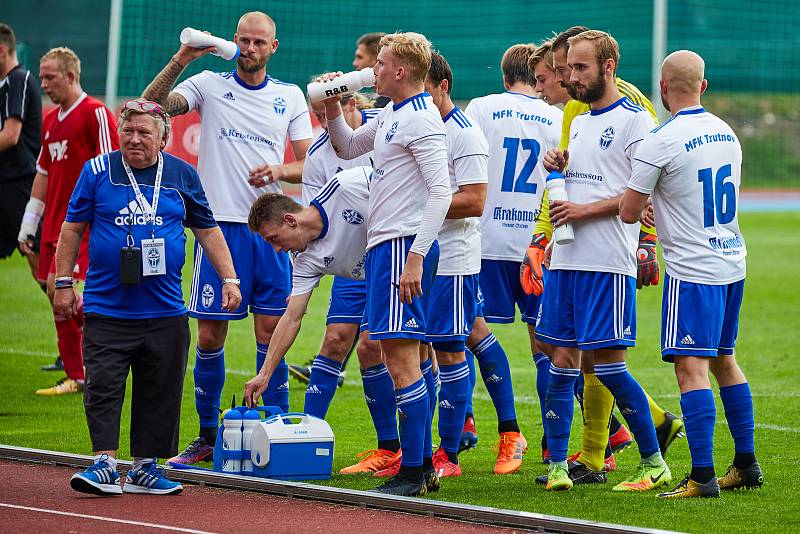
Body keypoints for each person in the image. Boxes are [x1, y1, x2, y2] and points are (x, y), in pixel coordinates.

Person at [142, 11, 313, 466]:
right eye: (245, 41)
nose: (252, 49)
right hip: (218, 230)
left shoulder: (289, 95)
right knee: (212, 334)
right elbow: (150, 107)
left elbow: (308, 163)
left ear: (274, 47)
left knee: (268, 330)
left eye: (261, 42)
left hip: (272, 233)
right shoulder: (208, 84)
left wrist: (280, 170)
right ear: (235, 41)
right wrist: (182, 57)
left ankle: (275, 431)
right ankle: (205, 435)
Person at [525, 26, 684, 483]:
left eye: (580, 67)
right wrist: (562, 167)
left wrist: (582, 210)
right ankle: (558, 466)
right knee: (560, 363)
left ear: (607, 67)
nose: (570, 77)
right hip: (568, 261)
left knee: (611, 369)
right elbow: (594, 177)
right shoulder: (581, 120)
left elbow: (638, 196)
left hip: (607, 264)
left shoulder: (637, 121)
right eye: (568, 68)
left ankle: (654, 463)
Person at [58, 99, 241, 496]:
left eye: (144, 133)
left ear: (163, 139)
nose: (134, 139)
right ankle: (104, 463)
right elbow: (71, 229)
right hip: (107, 307)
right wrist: (62, 281)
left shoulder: (182, 175)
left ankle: (145, 468)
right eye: (128, 131)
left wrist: (230, 278)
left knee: (159, 388)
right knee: (103, 387)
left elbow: (208, 231)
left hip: (165, 310)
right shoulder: (97, 171)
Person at [620, 50, 763, 498]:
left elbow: (628, 211)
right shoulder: (727, 133)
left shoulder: (661, 139)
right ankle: (746, 463)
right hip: (731, 260)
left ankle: (702, 476)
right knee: (725, 361)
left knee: (690, 370)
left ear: (662, 89)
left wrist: (648, 203)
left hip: (693, 270)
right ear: (704, 86)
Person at [321, 31, 451, 497]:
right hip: (386, 248)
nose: (373, 70)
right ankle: (421, 466)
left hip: (401, 249)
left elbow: (442, 191)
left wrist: (416, 255)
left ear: (400, 71)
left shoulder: (422, 119)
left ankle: (414, 470)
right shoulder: (393, 113)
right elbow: (349, 148)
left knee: (400, 361)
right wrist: (333, 107)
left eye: (380, 63)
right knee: (405, 357)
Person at [242, 167, 403, 470]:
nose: (276, 248)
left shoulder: (345, 187)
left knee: (382, 348)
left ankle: (420, 452)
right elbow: (292, 317)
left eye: (274, 238)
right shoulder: (302, 258)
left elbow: (402, 185)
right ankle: (311, 439)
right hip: (358, 275)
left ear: (290, 220)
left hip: (399, 262)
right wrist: (265, 373)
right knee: (334, 340)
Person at [463, 44, 562, 474]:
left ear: (504, 77)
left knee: (464, 333)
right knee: (548, 346)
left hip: (486, 242)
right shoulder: (560, 117)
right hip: (538, 246)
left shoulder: (482, 107)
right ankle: (550, 442)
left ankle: (475, 425)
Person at [26, 47, 118, 396]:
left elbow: (112, 167)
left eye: (50, 77)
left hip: (84, 225)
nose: (44, 83)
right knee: (57, 297)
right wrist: (29, 221)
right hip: (54, 225)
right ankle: (78, 376)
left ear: (71, 76)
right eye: (42, 76)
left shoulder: (95, 113)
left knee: (66, 295)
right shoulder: (51, 119)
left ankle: (109, 350)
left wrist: (107, 221)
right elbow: (43, 173)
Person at [424, 52, 488, 477]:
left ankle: (449, 453)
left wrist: (421, 206)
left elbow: (475, 200)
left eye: (424, 90)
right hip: (418, 255)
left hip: (452, 261)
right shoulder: (415, 124)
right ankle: (424, 446)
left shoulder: (463, 133)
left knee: (449, 350)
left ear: (443, 86)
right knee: (416, 351)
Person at [0, 23, 43, 286]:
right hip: (5, 182)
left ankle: (71, 322)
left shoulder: (19, 79)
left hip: (19, 183)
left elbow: (10, 135)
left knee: (35, 258)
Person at [352, 32, 390, 108]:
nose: (354, 63)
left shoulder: (391, 103)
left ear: (378, 60)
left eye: (360, 57)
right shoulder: (378, 100)